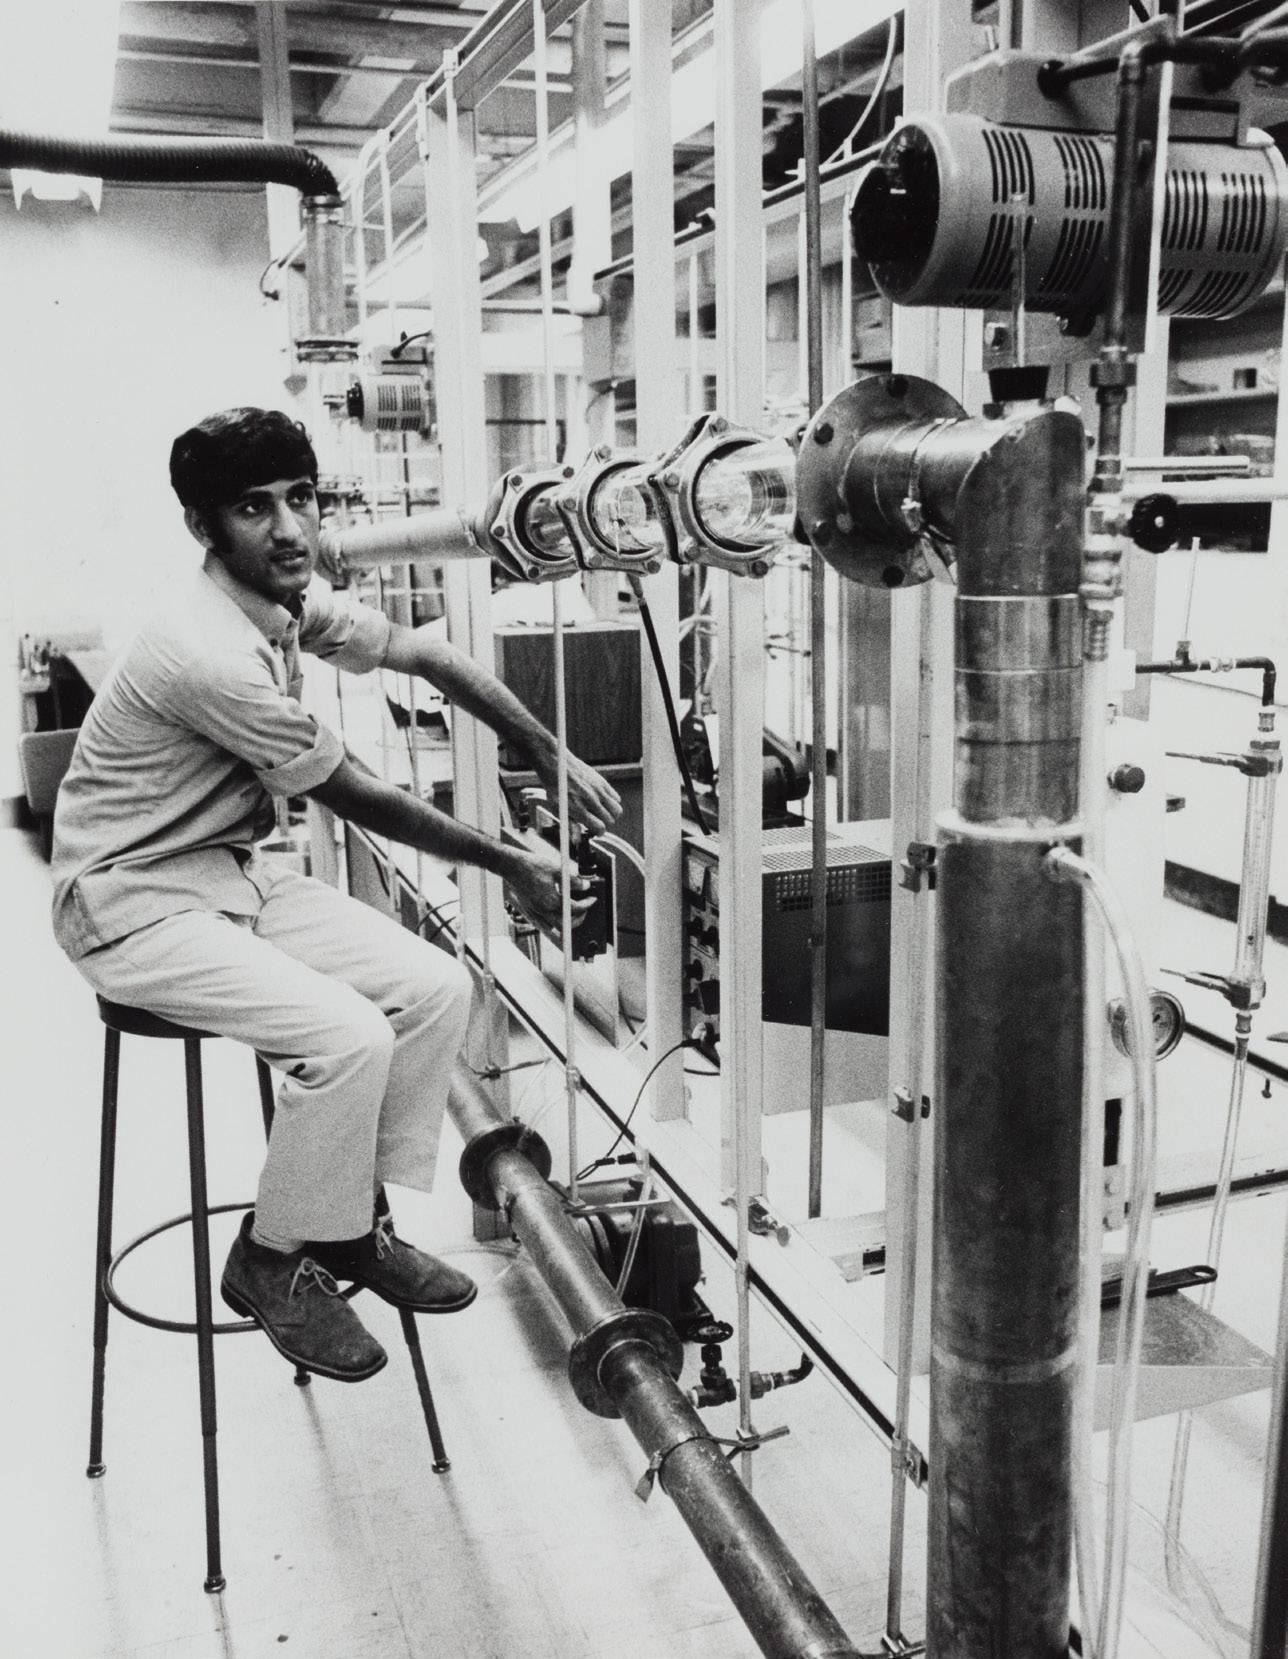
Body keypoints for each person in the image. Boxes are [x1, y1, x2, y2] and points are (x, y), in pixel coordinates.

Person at [51, 406, 622, 1383]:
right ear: (202, 527)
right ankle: (269, 1259)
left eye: (301, 498)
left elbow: (424, 655)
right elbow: (353, 791)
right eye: (253, 507)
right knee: (347, 1035)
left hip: (226, 871)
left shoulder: (281, 602)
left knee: (436, 988)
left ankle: (349, 1223)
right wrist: (510, 863)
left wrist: (543, 746)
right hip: (128, 900)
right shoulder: (206, 650)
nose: (288, 529)